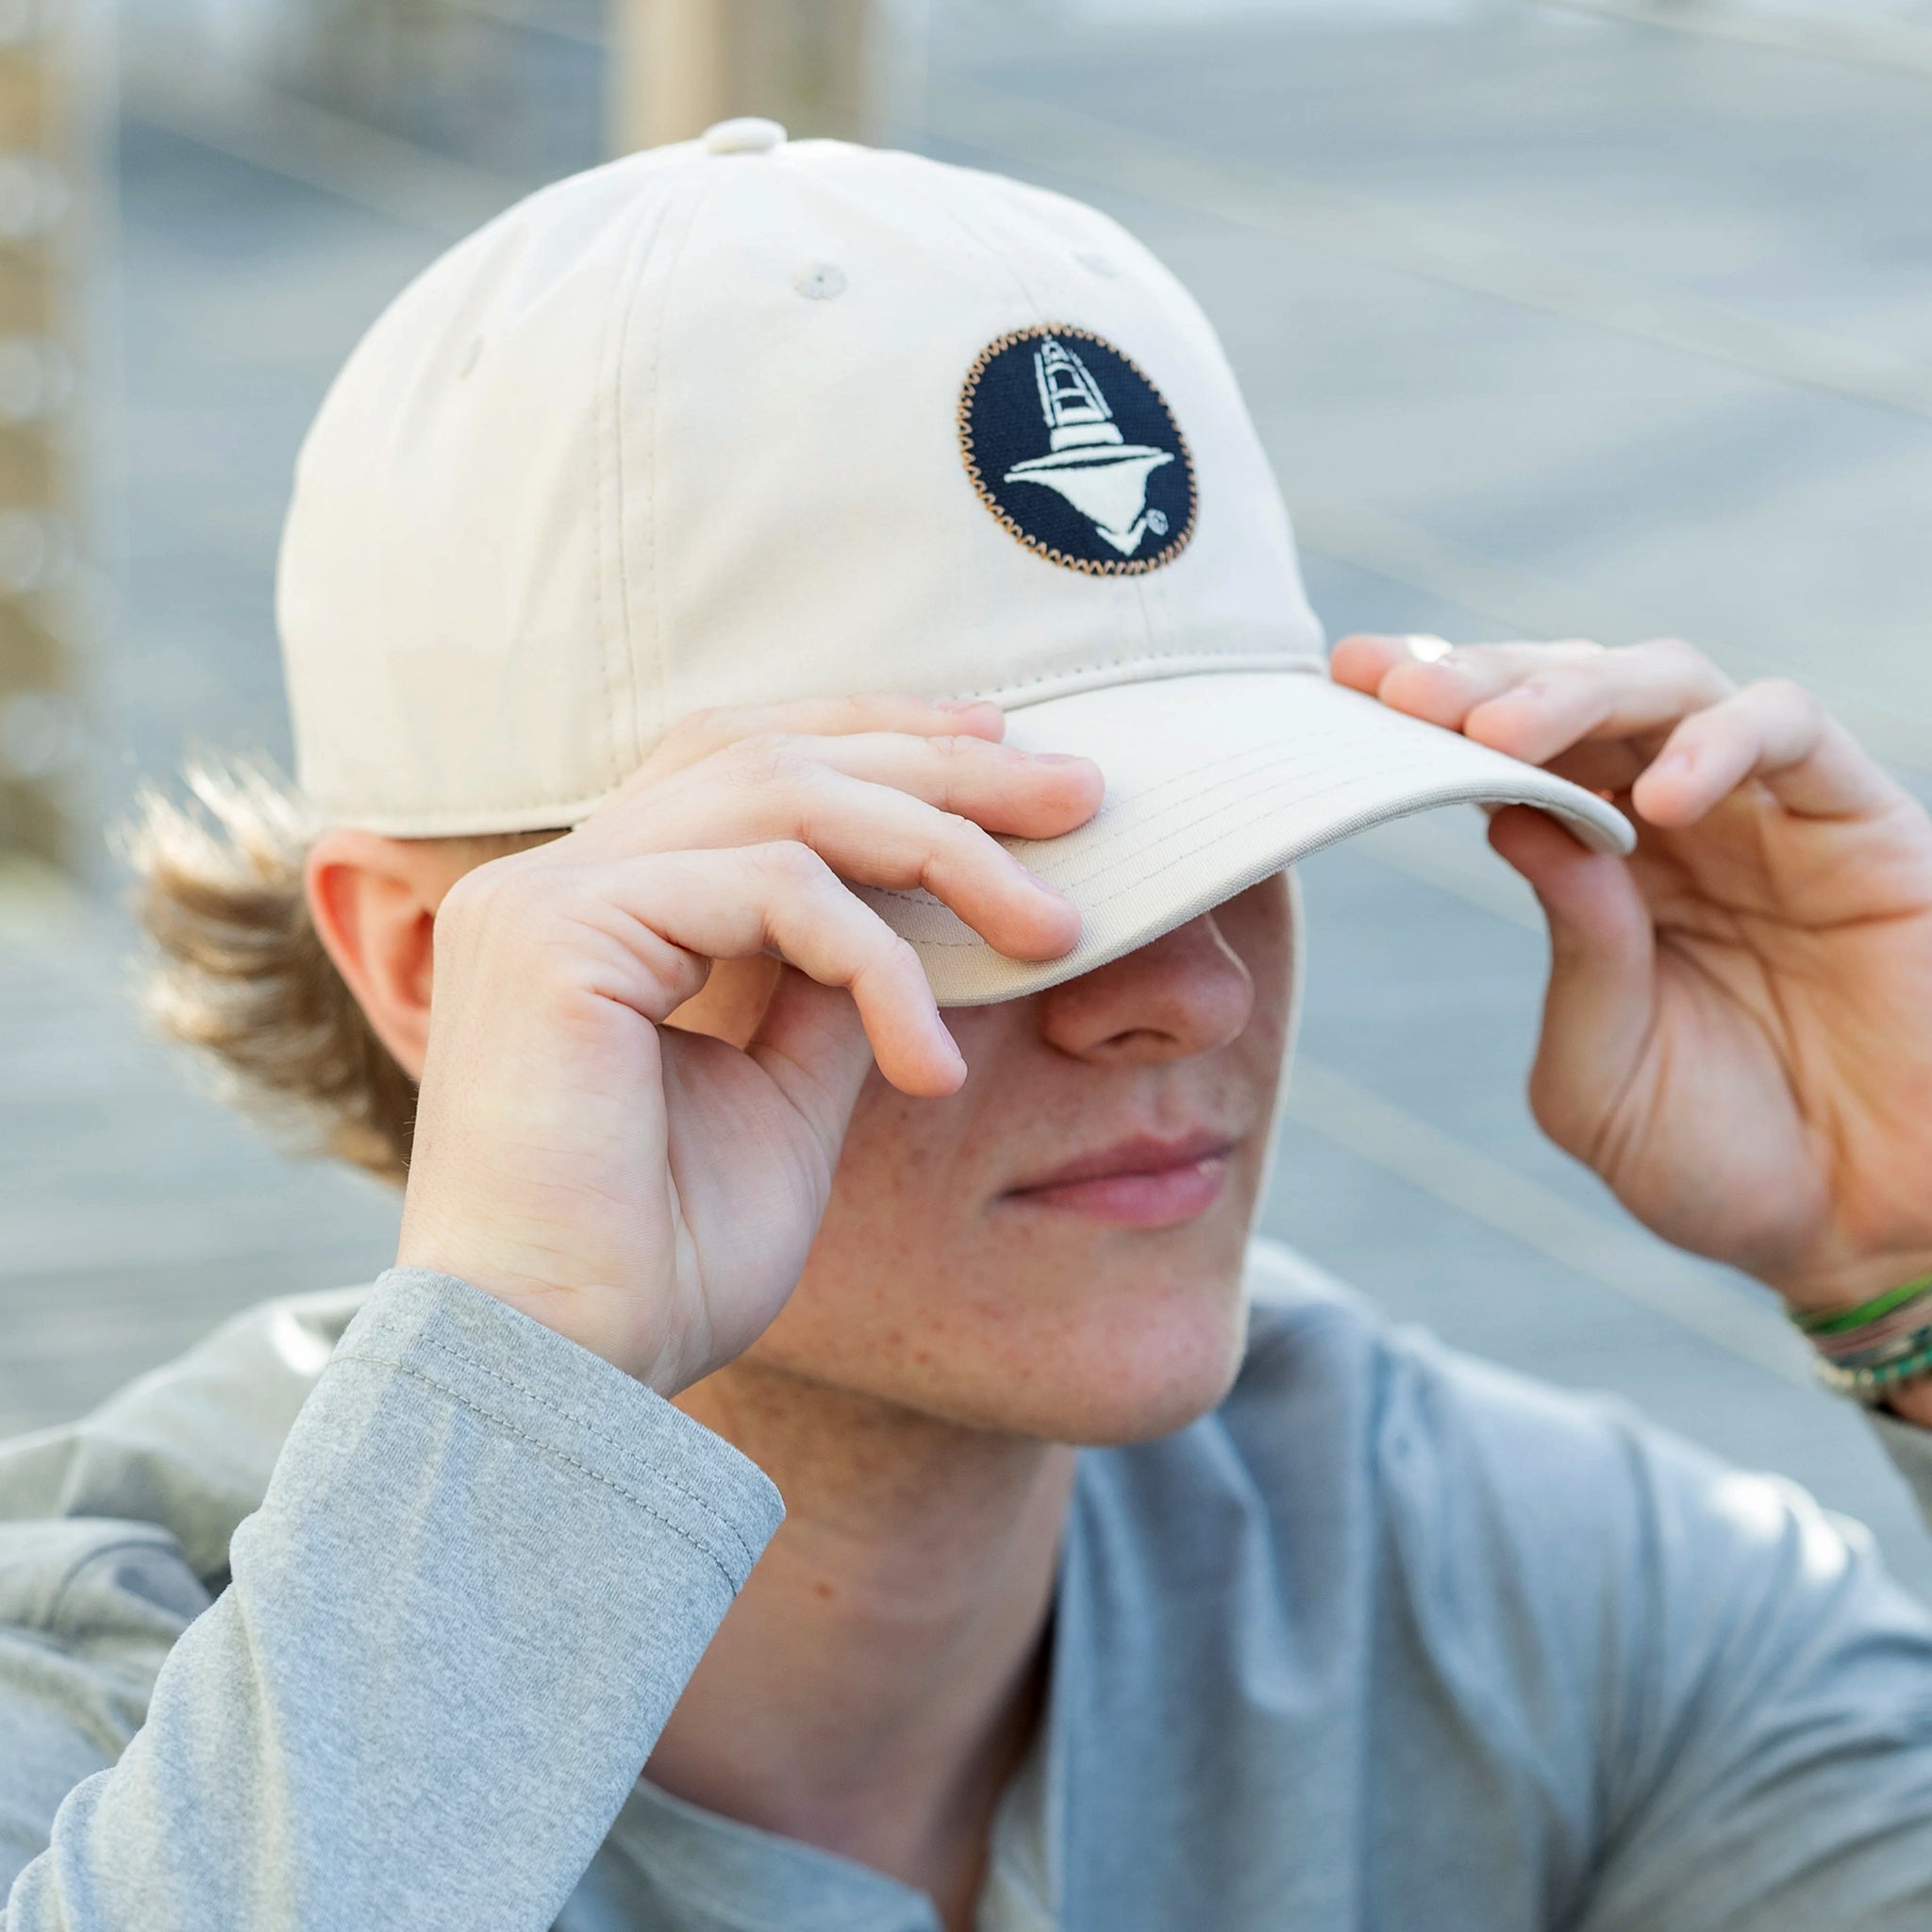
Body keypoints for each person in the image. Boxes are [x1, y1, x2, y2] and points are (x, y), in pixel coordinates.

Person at [4, 125, 1932, 1932]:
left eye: (1232, 831)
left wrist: (1905, 1265)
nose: (1188, 989)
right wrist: (530, 1378)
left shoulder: (1487, 1580)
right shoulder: (102, 1727)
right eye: (917, 875)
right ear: (430, 969)